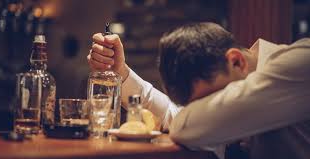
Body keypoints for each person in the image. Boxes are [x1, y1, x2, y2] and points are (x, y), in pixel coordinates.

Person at [87, 22, 310, 159]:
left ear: (236, 62)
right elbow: (179, 116)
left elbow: (187, 126)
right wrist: (122, 72)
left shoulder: (301, 63)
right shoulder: (251, 81)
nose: (209, 112)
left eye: (216, 101)